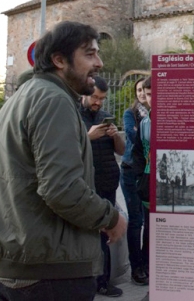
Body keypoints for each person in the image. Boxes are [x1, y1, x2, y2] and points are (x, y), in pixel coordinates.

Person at [0, 21, 126, 301]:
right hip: (47, 273)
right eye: (90, 54)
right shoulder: (53, 100)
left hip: (16, 266)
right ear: (59, 60)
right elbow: (62, 188)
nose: (100, 63)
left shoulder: (23, 96)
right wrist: (111, 217)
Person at [80, 76, 125, 297]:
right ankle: (87, 281)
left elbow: (121, 151)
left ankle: (103, 281)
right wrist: (88, 136)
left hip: (108, 182)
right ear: (85, 94)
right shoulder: (73, 116)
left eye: (102, 98)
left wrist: (115, 135)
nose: (97, 102)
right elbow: (67, 149)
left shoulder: (106, 117)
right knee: (87, 234)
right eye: (95, 97)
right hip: (87, 185)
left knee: (104, 235)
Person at [120, 77, 149, 286]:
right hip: (131, 171)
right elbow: (131, 134)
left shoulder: (154, 114)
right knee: (136, 220)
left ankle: (147, 263)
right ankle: (136, 267)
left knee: (150, 221)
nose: (142, 94)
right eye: (138, 90)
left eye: (145, 91)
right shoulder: (131, 113)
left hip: (148, 173)